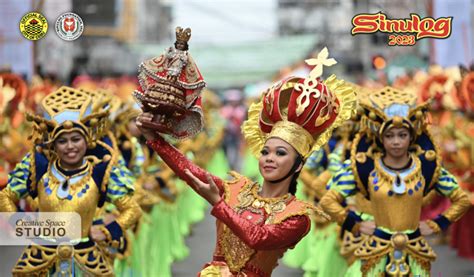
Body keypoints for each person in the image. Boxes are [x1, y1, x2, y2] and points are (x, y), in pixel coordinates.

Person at [137, 48, 357, 276]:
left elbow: (259, 238)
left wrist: (218, 203)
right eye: (266, 152)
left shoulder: (297, 217)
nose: (270, 158)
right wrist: (154, 139)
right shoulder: (236, 190)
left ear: (298, 164)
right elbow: (190, 171)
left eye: (280, 153)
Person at [320, 86, 471, 276]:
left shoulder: (426, 168)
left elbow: (462, 200)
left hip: (415, 254)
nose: (396, 142)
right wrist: (356, 224)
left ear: (412, 136)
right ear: (380, 138)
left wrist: (437, 224)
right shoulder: (364, 168)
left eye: (402, 135)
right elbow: (327, 201)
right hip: (377, 253)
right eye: (389, 136)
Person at [0, 86, 142, 276]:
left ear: (87, 141)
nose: (70, 147)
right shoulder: (39, 167)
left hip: (85, 262)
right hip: (41, 263)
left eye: (76, 139)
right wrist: (22, 224)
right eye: (62, 141)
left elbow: (132, 209)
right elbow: (5, 196)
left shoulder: (100, 171)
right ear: (53, 144)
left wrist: (109, 231)